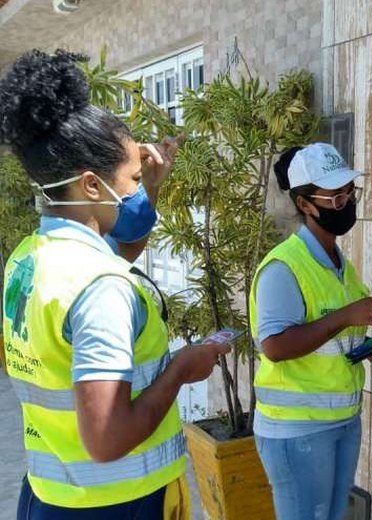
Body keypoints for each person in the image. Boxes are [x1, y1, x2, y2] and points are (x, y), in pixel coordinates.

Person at [0, 50, 229, 520]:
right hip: (118, 503)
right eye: (133, 179)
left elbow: (113, 263)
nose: (138, 191)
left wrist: (154, 189)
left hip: (52, 495)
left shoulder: (30, 258)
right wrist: (182, 370)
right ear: (89, 185)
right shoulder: (98, 284)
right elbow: (107, 439)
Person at [248, 143, 372, 520]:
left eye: (349, 192)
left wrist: (371, 347)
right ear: (304, 204)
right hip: (296, 431)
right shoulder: (283, 267)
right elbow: (276, 346)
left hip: (342, 420)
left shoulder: (339, 265)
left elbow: (338, 341)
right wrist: (347, 316)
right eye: (334, 197)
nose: (346, 203)